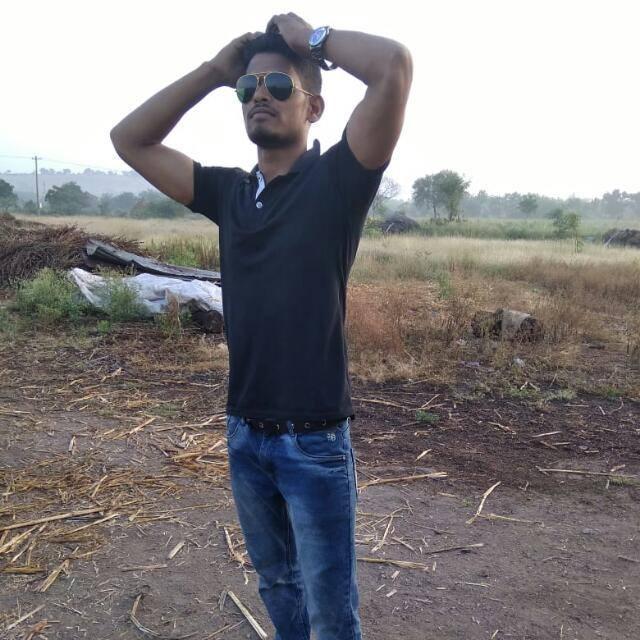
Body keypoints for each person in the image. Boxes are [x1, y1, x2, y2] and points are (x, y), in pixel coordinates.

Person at [110, 12, 412, 640]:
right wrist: (213, 72)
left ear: (314, 107)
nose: (259, 97)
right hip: (245, 432)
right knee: (276, 585)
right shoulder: (228, 193)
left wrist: (311, 40)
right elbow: (129, 140)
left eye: (278, 86)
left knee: (331, 613)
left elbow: (393, 67)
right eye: (248, 89)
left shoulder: (339, 181)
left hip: (314, 441)